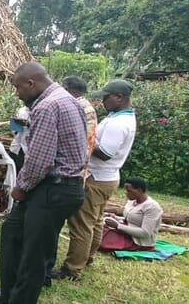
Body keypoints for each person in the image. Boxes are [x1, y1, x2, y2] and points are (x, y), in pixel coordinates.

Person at [0, 62, 87, 304]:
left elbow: (39, 161)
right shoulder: (66, 99)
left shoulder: (47, 106)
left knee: (32, 257)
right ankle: (7, 298)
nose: (17, 93)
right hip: (55, 187)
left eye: (18, 87)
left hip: (54, 188)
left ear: (31, 83)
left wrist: (21, 187)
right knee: (12, 233)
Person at [52, 79, 137, 280]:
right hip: (107, 177)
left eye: (106, 97)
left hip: (97, 177)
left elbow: (105, 152)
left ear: (119, 97)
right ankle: (87, 257)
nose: (103, 101)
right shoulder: (120, 117)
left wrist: (85, 138)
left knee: (81, 223)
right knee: (96, 221)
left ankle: (72, 268)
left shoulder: (119, 124)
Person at [45, 76, 98, 284]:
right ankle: (57, 266)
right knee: (62, 226)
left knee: (61, 226)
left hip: (68, 177)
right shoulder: (87, 109)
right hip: (78, 175)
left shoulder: (75, 108)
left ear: (67, 89)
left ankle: (66, 268)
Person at [101, 177, 163, 251]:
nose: (126, 193)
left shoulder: (152, 207)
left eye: (129, 191)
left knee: (101, 240)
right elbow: (131, 220)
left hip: (137, 241)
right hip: (125, 232)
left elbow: (145, 233)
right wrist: (116, 218)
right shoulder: (131, 202)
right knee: (98, 230)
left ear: (139, 190)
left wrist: (118, 226)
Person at [8, 106, 30, 173]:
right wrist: (15, 124)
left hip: (27, 149)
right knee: (12, 172)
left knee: (22, 172)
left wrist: (28, 124)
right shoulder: (21, 110)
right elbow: (14, 131)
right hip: (15, 148)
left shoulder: (39, 111)